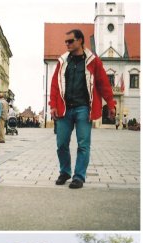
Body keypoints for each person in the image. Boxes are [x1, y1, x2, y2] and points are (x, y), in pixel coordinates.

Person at [49, 28, 116, 189]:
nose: (67, 44)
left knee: (83, 144)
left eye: (70, 41)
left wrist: (111, 103)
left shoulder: (94, 61)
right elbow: (54, 85)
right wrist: (52, 105)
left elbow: (103, 83)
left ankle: (78, 177)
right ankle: (65, 172)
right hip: (65, 108)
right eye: (66, 41)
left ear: (80, 40)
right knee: (61, 144)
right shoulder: (63, 61)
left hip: (84, 108)